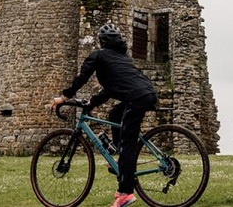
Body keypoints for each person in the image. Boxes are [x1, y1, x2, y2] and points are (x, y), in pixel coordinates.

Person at [50, 22, 158, 207]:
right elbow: (109, 90)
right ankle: (119, 160)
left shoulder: (99, 56)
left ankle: (125, 193)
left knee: (127, 144)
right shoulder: (122, 58)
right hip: (147, 93)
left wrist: (64, 96)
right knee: (115, 115)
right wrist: (92, 103)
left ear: (101, 41)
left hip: (136, 98)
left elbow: (82, 77)